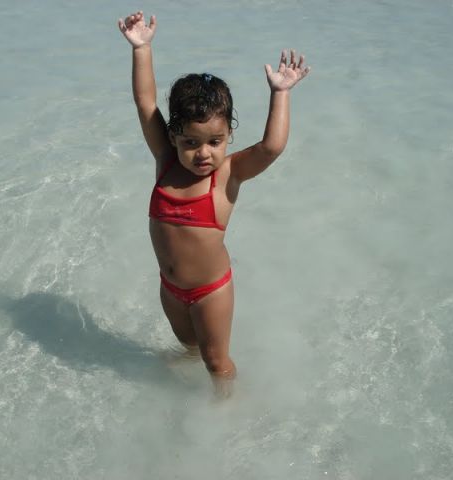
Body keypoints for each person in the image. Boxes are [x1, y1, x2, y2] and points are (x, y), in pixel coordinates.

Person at [117, 11, 310, 396]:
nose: (203, 153)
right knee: (189, 347)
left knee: (216, 362)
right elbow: (145, 103)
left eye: (215, 142)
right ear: (174, 137)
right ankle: (188, 387)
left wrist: (281, 93)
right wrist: (141, 48)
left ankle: (225, 413)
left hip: (210, 292)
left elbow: (271, 148)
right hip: (170, 288)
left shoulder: (227, 175)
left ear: (228, 136)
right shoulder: (165, 160)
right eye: (191, 142)